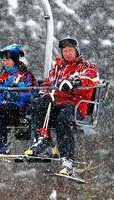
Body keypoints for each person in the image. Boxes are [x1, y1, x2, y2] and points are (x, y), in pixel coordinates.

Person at [24, 37, 99, 175]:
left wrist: (74, 82)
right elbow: (47, 83)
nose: (67, 53)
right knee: (37, 104)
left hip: (75, 106)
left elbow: (91, 78)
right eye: (64, 51)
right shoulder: (58, 68)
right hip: (57, 104)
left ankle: (67, 158)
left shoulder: (85, 66)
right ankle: (43, 140)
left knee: (63, 117)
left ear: (76, 51)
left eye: (70, 50)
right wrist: (45, 93)